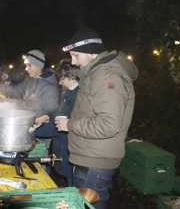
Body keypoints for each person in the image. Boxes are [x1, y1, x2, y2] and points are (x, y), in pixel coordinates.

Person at [56, 29, 138, 209]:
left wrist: (70, 124)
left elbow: (109, 124)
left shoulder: (107, 76)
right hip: (89, 158)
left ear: (91, 52)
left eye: (75, 55)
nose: (73, 61)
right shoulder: (95, 74)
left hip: (95, 163)